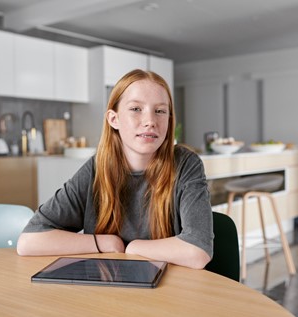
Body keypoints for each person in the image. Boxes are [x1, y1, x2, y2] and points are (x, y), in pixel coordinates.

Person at [17, 69, 213, 269]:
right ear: (113, 119)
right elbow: (29, 241)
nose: (150, 121)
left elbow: (198, 251)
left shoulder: (186, 164)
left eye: (160, 111)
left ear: (169, 120)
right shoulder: (96, 169)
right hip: (108, 293)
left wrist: (133, 248)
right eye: (136, 109)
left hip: (170, 292)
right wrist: (104, 243)